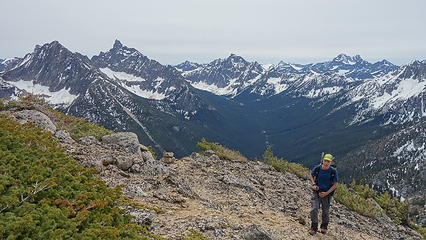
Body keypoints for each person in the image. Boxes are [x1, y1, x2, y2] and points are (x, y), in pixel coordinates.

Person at [308, 153, 339, 235]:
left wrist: (326, 193)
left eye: (328, 161)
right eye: (325, 161)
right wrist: (314, 184)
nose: (326, 163)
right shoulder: (318, 168)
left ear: (331, 162)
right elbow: (311, 174)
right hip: (317, 192)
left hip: (327, 194)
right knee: (314, 209)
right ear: (323, 160)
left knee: (325, 211)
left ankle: (324, 227)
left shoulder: (333, 171)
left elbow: (335, 184)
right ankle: (314, 227)